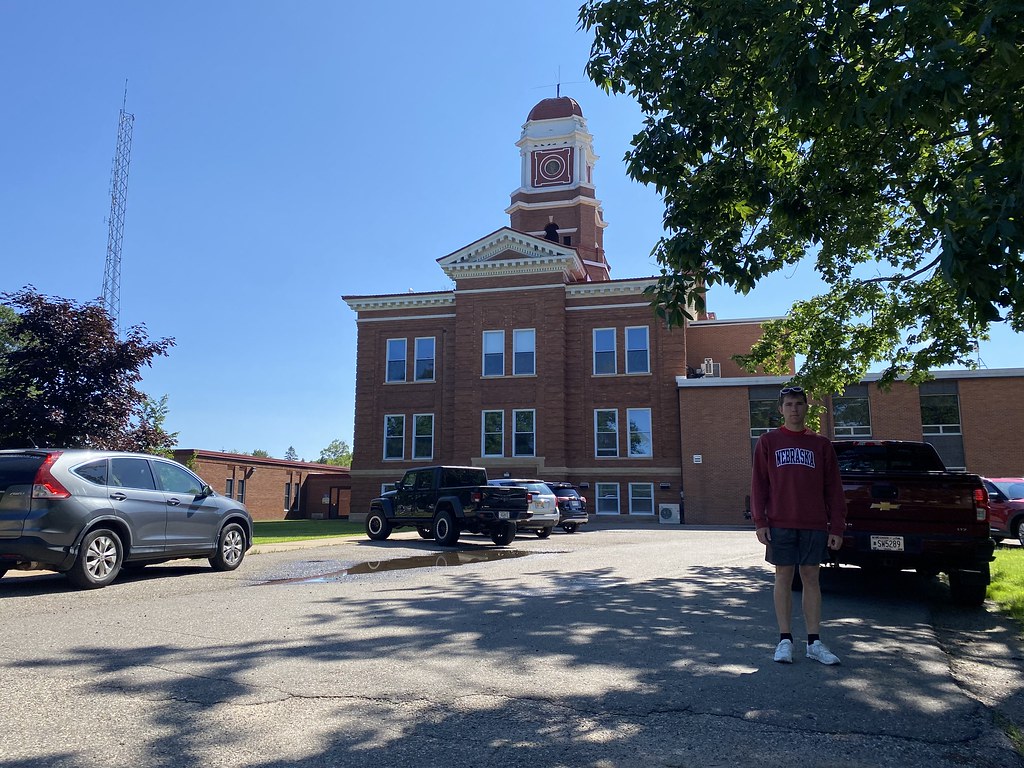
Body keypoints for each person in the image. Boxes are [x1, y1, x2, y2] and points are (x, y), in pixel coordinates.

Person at [751, 385, 847, 665]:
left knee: (811, 578)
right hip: (780, 523)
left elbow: (834, 489)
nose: (794, 409)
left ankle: (814, 643)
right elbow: (759, 484)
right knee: (783, 577)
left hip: (814, 523)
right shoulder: (768, 442)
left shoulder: (821, 444)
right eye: (789, 404)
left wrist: (837, 526)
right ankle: (784, 640)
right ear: (780, 410)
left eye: (799, 404)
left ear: (807, 408)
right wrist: (760, 520)